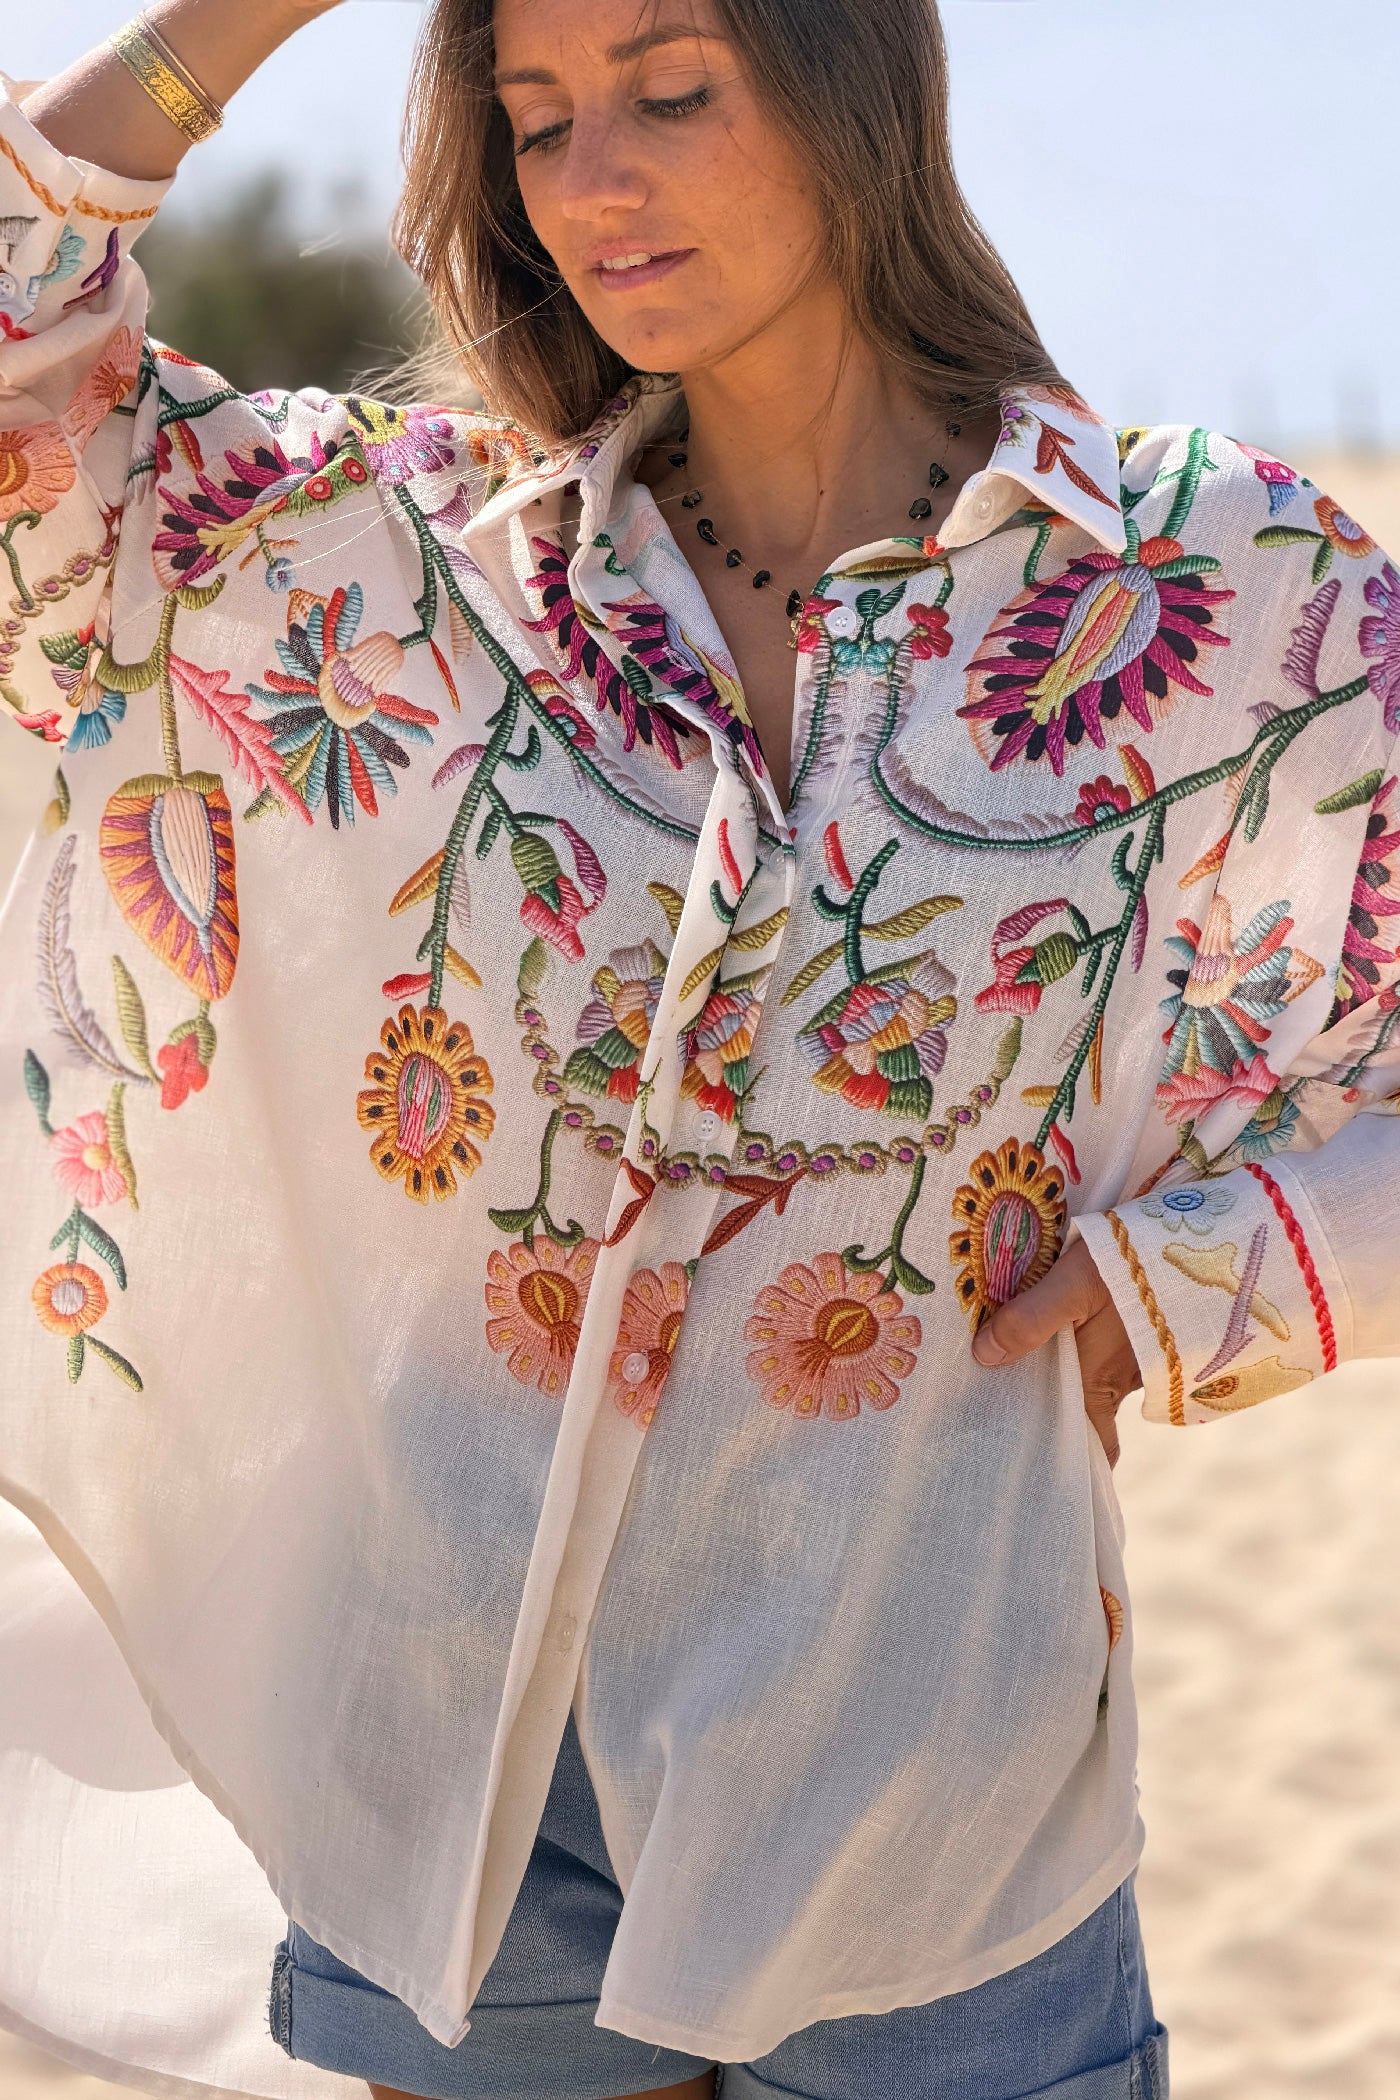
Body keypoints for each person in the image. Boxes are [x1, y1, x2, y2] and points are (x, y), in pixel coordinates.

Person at [1, 1, 1397, 2095]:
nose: (594, 183)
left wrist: (1205, 1271)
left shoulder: (1214, 586)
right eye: (538, 120)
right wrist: (235, 22)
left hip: (926, 1753)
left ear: (856, 97)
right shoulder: (418, 566)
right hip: (456, 1755)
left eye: (670, 92)